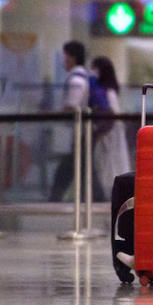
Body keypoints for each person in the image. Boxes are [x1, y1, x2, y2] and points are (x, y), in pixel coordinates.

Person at [49, 40, 102, 200]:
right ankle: (100, 198)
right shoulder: (85, 76)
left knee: (72, 168)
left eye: (65, 56)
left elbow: (72, 106)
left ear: (71, 57)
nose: (63, 60)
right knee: (82, 167)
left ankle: (55, 199)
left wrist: (54, 113)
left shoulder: (76, 80)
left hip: (81, 132)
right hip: (85, 132)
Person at [89, 56, 132, 199]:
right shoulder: (103, 91)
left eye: (94, 68)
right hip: (107, 134)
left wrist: (101, 131)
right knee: (106, 167)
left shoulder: (109, 93)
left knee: (111, 167)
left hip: (110, 135)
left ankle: (111, 199)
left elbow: (113, 115)